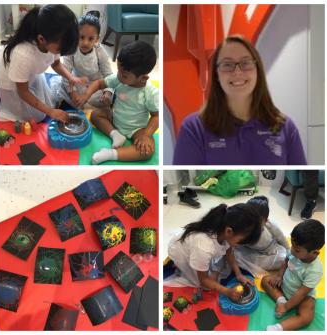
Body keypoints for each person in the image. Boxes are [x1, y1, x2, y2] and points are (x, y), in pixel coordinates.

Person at [173, 35, 306, 165]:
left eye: (245, 63)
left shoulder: (285, 127)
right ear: (217, 75)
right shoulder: (194, 129)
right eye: (227, 64)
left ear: (257, 70)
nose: (237, 72)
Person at [0, 5, 87, 123]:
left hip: (30, 74)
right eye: (60, 49)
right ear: (41, 39)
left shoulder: (53, 40)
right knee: (38, 117)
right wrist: (50, 111)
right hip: (12, 84)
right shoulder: (23, 55)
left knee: (50, 102)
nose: (60, 52)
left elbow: (56, 64)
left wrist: (71, 77)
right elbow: (23, 92)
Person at [75, 40, 159, 164]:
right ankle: (115, 135)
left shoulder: (149, 92)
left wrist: (146, 135)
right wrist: (86, 96)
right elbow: (99, 83)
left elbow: (156, 116)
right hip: (114, 119)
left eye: (124, 75)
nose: (119, 75)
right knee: (95, 115)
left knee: (147, 151)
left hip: (137, 129)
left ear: (143, 78)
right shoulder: (118, 79)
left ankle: (111, 154)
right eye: (119, 70)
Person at [166, 203, 262, 301]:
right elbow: (203, 280)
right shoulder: (204, 246)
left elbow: (229, 252)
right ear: (229, 232)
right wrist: (227, 291)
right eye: (240, 242)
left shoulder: (226, 230)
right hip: (179, 252)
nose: (240, 246)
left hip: (195, 248)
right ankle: (179, 267)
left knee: (219, 272)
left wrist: (239, 274)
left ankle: (202, 267)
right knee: (204, 286)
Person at [262, 219, 324, 331]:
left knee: (307, 317)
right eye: (292, 245)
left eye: (297, 249)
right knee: (265, 280)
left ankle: (278, 328)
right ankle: (280, 299)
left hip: (302, 296)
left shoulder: (315, 270)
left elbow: (302, 292)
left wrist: (286, 307)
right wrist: (279, 276)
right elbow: (285, 261)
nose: (292, 251)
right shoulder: (294, 251)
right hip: (285, 285)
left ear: (314, 252)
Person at [50, 11, 113, 109]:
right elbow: (66, 73)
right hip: (76, 83)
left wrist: (108, 92)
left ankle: (88, 105)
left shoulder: (100, 51)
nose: (85, 43)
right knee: (60, 87)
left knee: (105, 98)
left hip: (95, 87)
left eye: (91, 39)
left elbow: (108, 75)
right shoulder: (72, 49)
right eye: (81, 37)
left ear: (97, 40)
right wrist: (73, 94)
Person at [234, 196, 289, 276]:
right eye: (250, 220)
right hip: (251, 253)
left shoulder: (270, 226)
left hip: (272, 250)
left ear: (266, 220)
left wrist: (289, 253)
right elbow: (236, 243)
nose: (253, 224)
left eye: (257, 221)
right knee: (234, 255)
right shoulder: (244, 228)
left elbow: (283, 241)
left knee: (283, 258)